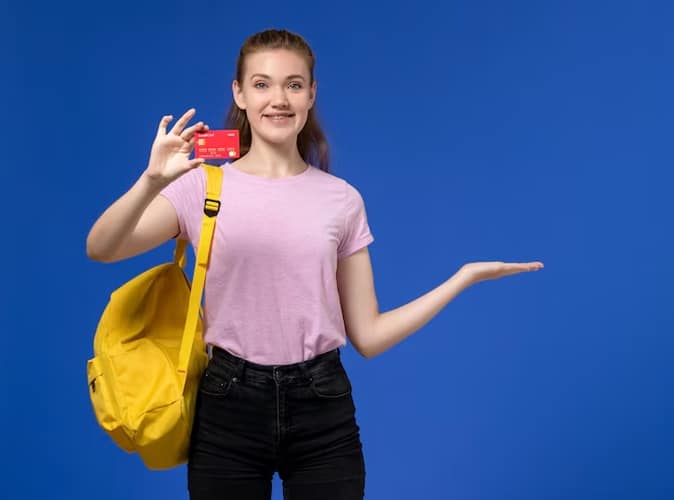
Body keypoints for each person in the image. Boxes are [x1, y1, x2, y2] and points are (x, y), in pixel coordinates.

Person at [86, 28, 543, 500]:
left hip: (322, 404)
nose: (278, 99)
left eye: (293, 84)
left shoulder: (341, 200)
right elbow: (102, 248)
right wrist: (150, 180)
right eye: (261, 84)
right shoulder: (202, 186)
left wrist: (462, 279)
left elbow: (368, 336)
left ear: (311, 94)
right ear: (239, 94)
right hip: (227, 402)